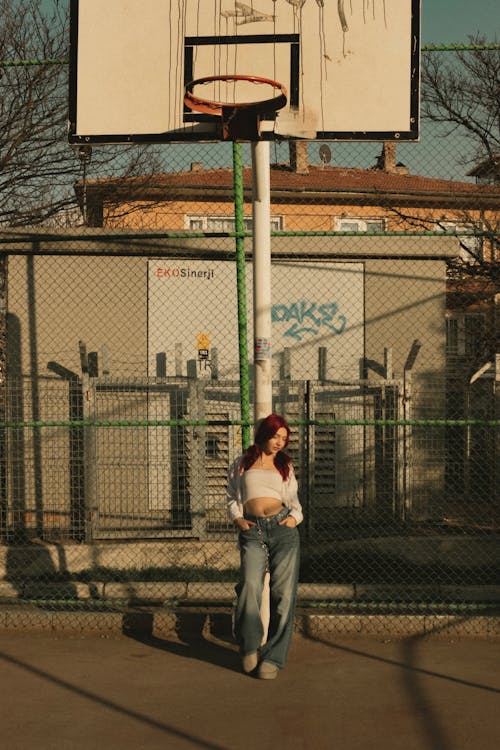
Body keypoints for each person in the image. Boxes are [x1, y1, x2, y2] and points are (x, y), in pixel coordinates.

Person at [226, 413, 303, 679]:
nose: (280, 442)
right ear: (264, 434)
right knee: (250, 585)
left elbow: (293, 499)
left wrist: (294, 519)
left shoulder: (285, 465)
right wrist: (238, 519)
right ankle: (248, 645)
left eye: (284, 438)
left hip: (283, 528)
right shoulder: (241, 462)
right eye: (276, 436)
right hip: (253, 529)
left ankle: (273, 657)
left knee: (283, 592)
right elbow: (232, 496)